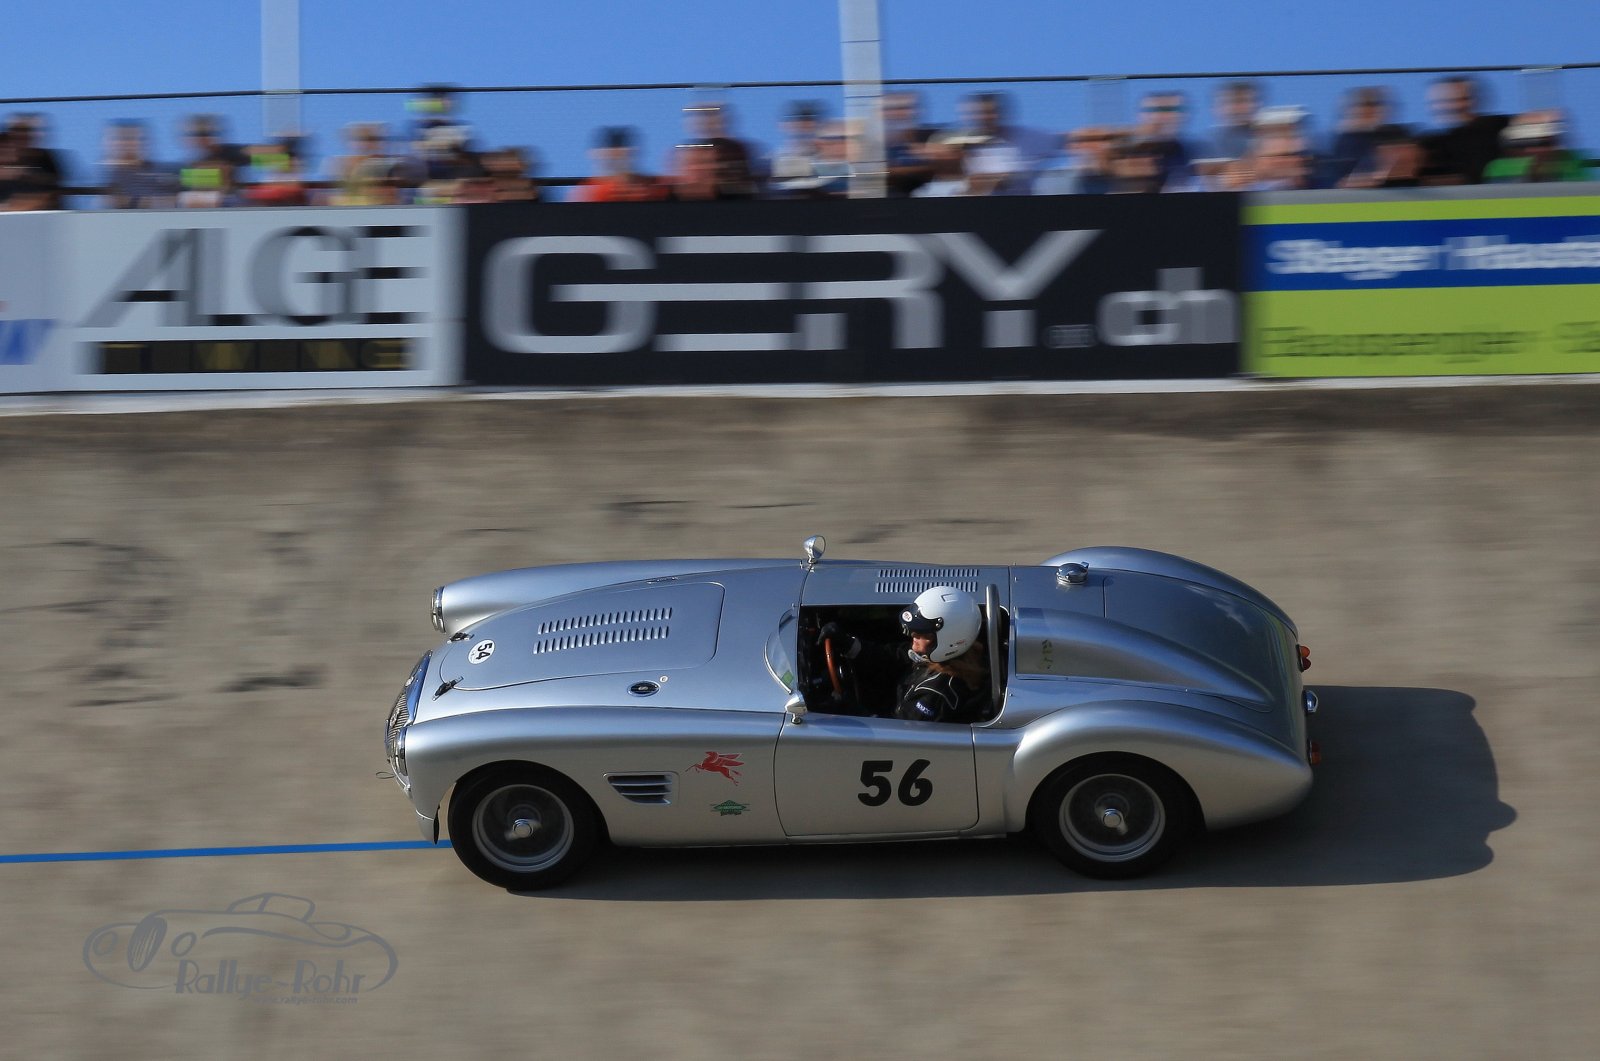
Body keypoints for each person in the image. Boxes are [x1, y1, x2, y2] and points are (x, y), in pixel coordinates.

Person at [816, 586, 993, 724]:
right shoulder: (947, 656)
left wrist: (850, 710)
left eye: (922, 633)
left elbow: (897, 736)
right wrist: (848, 643)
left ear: (949, 639)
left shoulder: (936, 695)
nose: (913, 636)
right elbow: (892, 655)